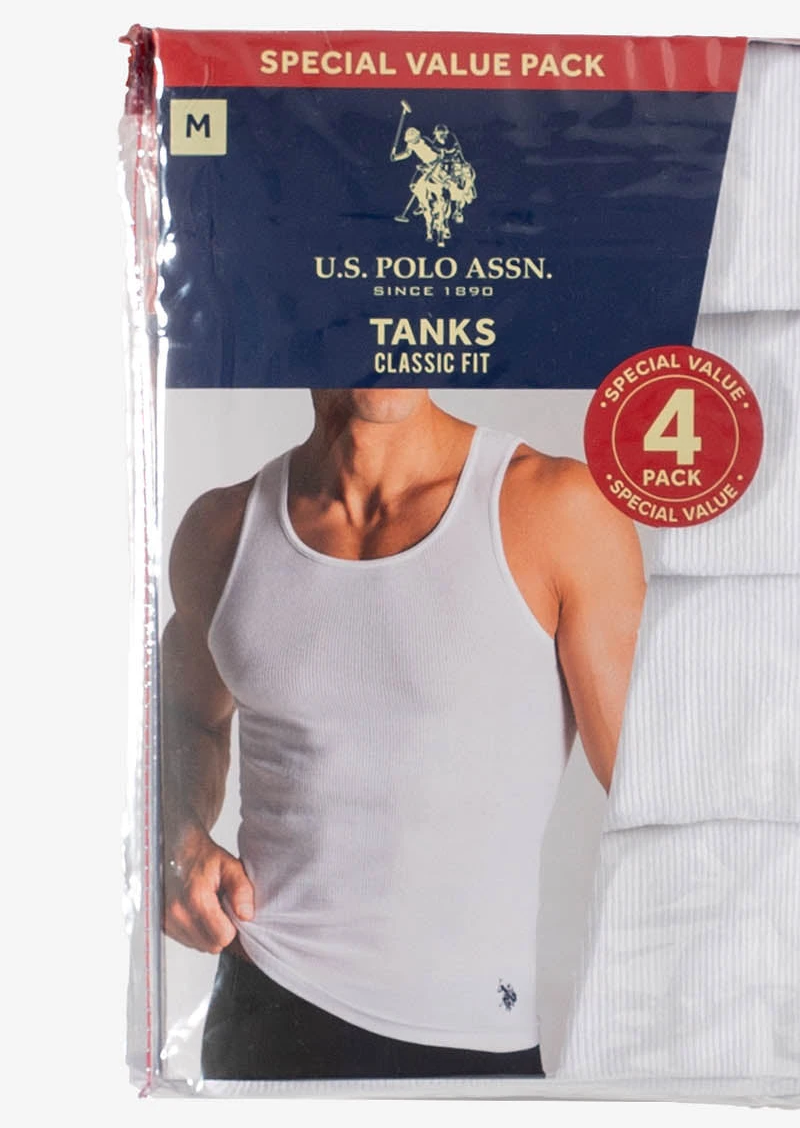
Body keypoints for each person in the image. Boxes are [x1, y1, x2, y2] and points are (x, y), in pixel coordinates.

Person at [161, 389, 645, 1080]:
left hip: (468, 1036)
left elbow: (664, 792)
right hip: (261, 1012)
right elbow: (187, 719)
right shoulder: (223, 530)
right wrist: (176, 835)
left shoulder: (554, 510)